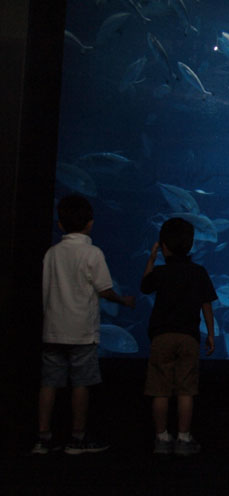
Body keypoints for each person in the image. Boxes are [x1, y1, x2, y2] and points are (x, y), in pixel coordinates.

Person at [33, 194, 135, 455]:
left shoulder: (51, 253)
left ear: (59, 224)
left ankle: (43, 438)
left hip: (53, 329)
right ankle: (77, 438)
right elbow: (104, 290)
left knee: (49, 383)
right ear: (90, 223)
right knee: (81, 384)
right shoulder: (92, 253)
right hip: (82, 333)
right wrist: (123, 301)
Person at [140, 217, 216, 456]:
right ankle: (183, 439)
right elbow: (207, 306)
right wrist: (211, 335)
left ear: (163, 246)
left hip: (162, 337)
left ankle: (162, 438)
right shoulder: (198, 272)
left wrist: (152, 258)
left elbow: (145, 286)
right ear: (191, 245)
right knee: (186, 391)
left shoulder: (161, 273)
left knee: (160, 390)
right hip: (188, 338)